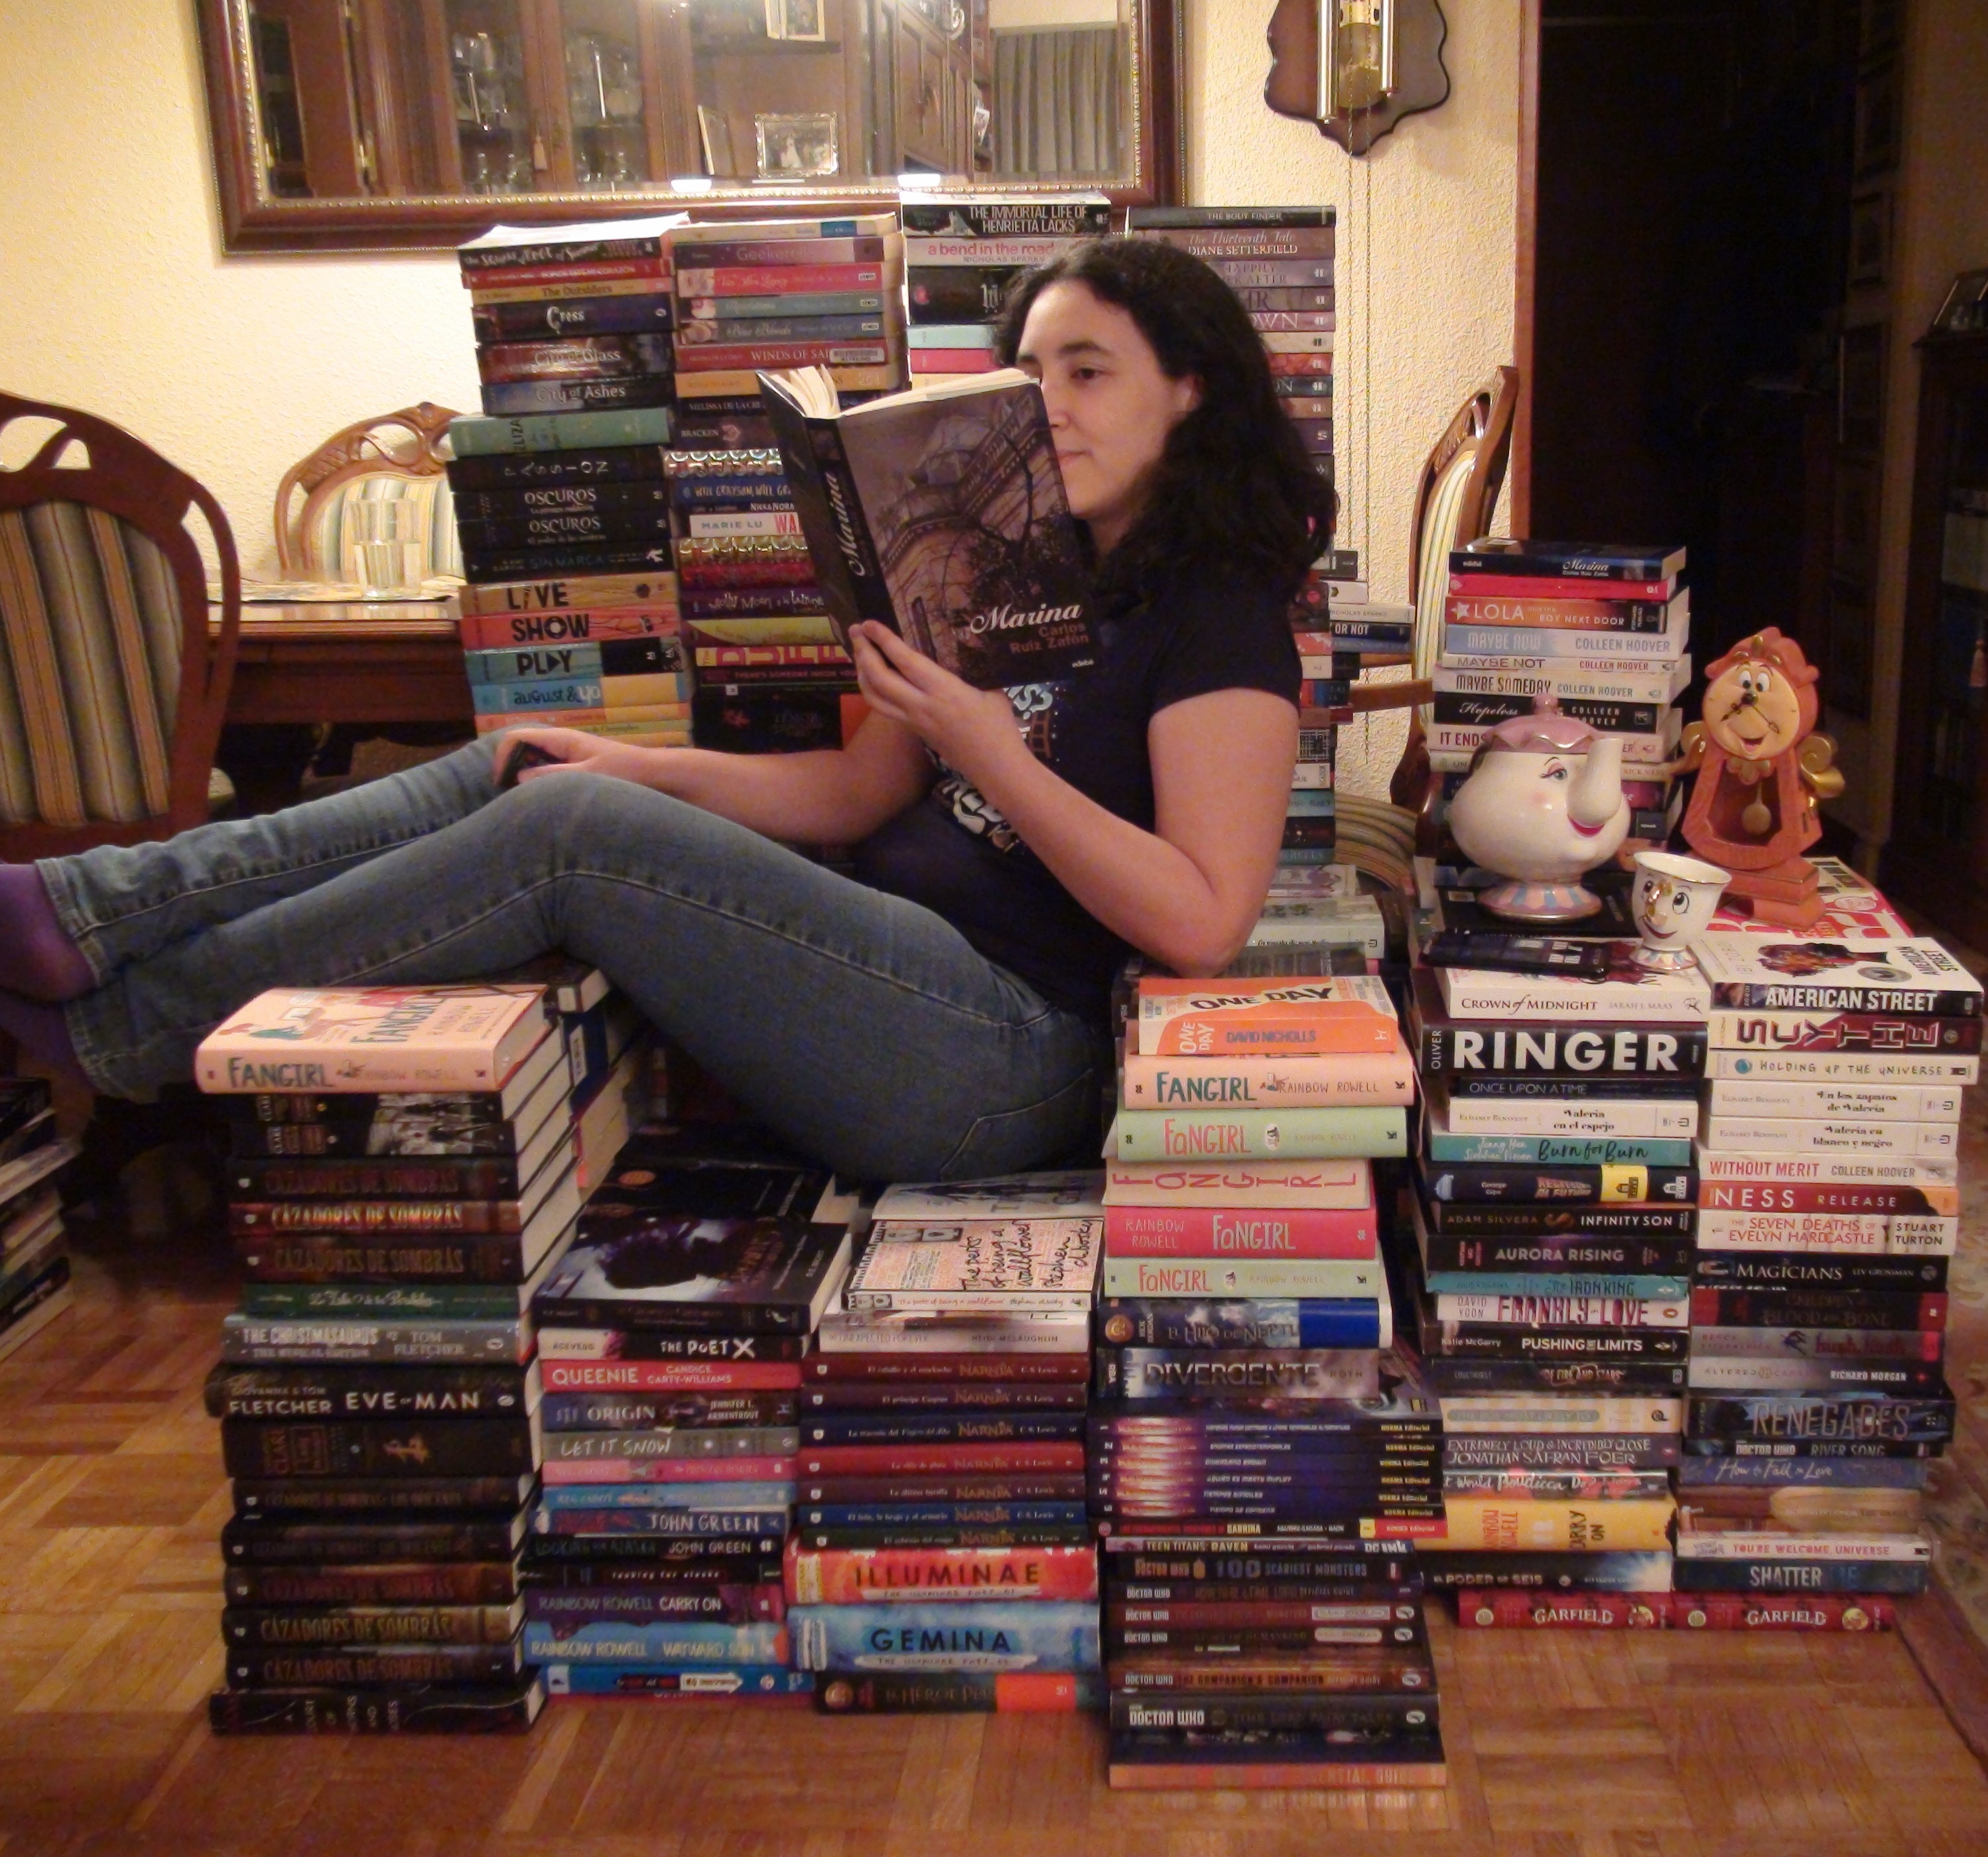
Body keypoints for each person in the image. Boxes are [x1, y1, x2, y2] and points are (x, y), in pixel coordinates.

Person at [0, 237, 1331, 1181]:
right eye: (1029, 376)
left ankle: (128, 1028)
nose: (1048, 409)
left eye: (1088, 373)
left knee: (572, 833)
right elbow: (846, 796)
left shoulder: (1217, 616)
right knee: (534, 763)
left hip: (1003, 1057)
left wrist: (991, 751)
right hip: (878, 959)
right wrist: (631, 759)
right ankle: (89, 910)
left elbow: (1199, 921)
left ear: (1191, 389)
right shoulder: (1008, 573)